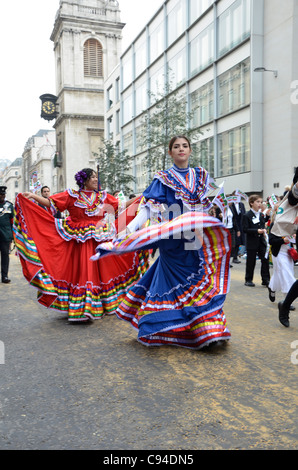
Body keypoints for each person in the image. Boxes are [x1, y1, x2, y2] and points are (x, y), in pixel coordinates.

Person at [93, 136, 231, 349]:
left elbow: (216, 199)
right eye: (176, 147)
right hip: (173, 241)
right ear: (170, 153)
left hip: (196, 237)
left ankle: (209, 329)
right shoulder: (163, 178)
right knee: (177, 284)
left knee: (200, 281)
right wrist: (129, 229)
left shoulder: (201, 175)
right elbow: (147, 207)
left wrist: (218, 214)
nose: (181, 149)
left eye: (184, 146)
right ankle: (186, 329)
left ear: (190, 150)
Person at [13, 168, 148, 322]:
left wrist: (141, 198)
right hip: (79, 239)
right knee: (84, 271)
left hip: (100, 237)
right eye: (93, 177)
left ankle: (101, 304)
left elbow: (121, 205)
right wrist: (33, 196)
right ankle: (84, 307)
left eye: (96, 177)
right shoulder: (71, 196)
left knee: (104, 270)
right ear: (84, 180)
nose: (96, 180)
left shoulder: (102, 196)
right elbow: (52, 202)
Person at [242, 194, 270, 287]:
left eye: (261, 202)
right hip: (252, 241)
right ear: (251, 203)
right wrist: (256, 231)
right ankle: (248, 279)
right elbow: (245, 229)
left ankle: (266, 279)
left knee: (265, 259)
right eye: (257, 202)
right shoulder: (247, 215)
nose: (260, 204)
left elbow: (262, 225)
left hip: (261, 241)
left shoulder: (261, 215)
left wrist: (263, 229)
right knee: (251, 261)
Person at [0, 186, 14, 283]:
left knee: (5, 256)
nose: (2, 196)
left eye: (3, 194)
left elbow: (12, 221)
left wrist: (12, 237)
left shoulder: (9, 206)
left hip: (5, 236)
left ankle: (4, 276)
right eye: (0, 194)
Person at [230, 193, 246, 263]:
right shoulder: (231, 205)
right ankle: (233, 256)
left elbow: (244, 214)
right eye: (236, 196)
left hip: (241, 224)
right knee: (234, 242)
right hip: (234, 225)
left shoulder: (241, 204)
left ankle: (235, 256)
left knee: (239, 241)